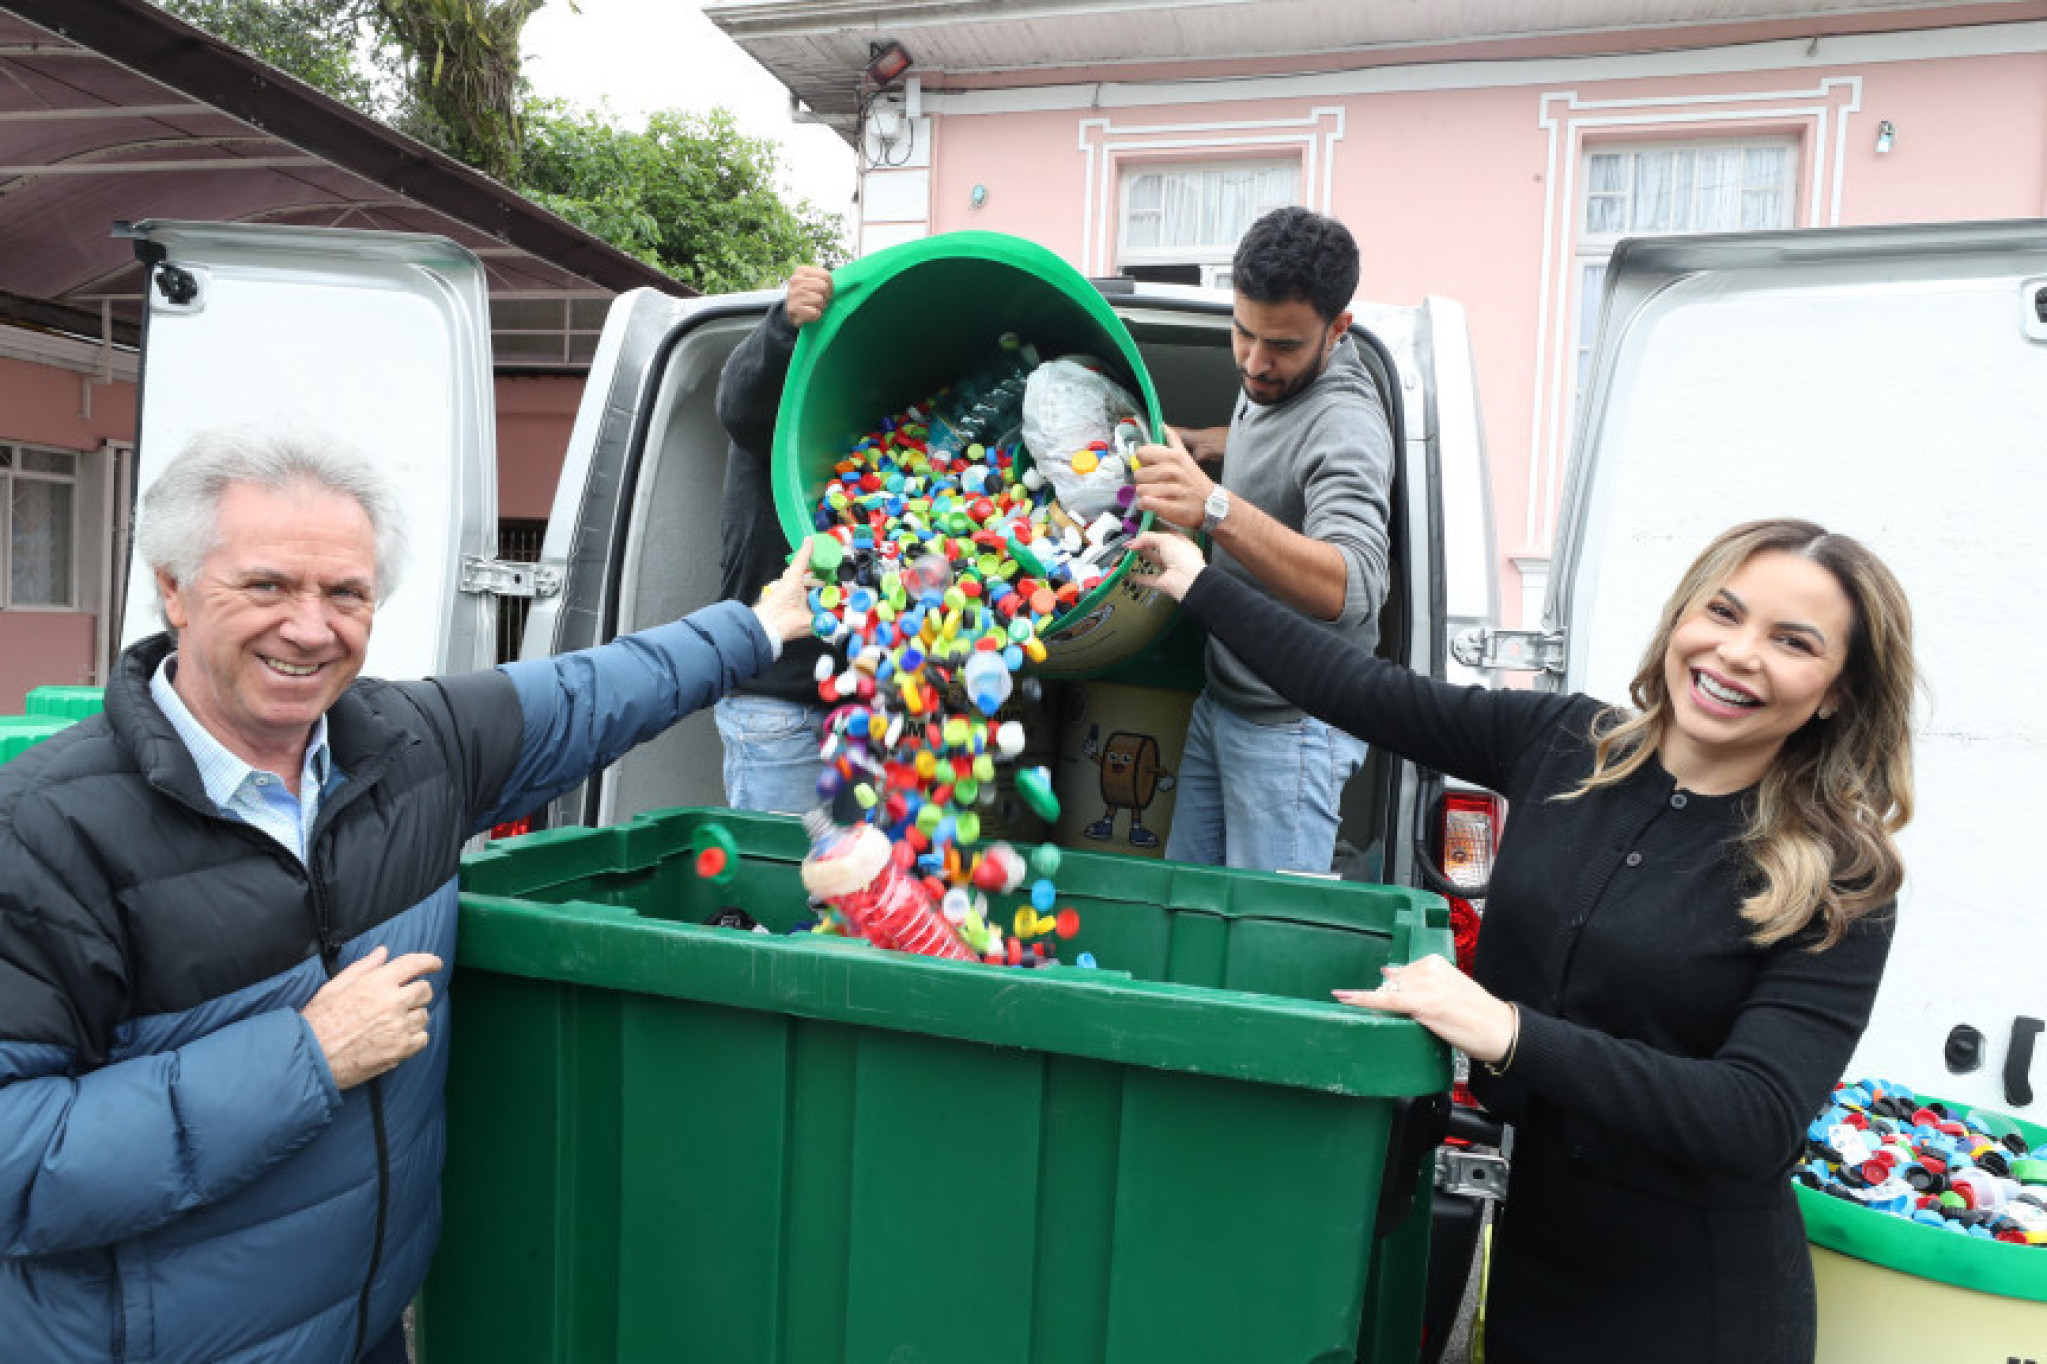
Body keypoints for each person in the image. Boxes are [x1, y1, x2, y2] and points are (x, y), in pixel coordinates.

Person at [0, 428, 815, 1363]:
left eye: (346, 593)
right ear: (174, 589)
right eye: (266, 586)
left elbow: (595, 691)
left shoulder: (411, 745)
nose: (311, 628)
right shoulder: (43, 834)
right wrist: (306, 1057)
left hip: (362, 1331)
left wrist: (759, 627)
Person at [1130, 518, 1915, 1363]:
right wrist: (1196, 581)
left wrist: (1509, 1033)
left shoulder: (1840, 878)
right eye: (1721, 612)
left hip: (1694, 1305)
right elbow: (1363, 691)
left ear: (1836, 691)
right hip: (1535, 1255)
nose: (1736, 653)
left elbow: (1751, 1117)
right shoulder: (1568, 743)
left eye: (1792, 642)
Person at [1129, 205, 1392, 872]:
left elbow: (1353, 586)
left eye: (1282, 346)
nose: (1254, 362)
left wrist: (1211, 505)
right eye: (1243, 332)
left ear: (1337, 329)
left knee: (1263, 929)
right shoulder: (1272, 376)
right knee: (1188, 911)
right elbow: (1279, 446)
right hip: (1224, 699)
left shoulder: (1347, 422)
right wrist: (1205, 444)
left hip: (1292, 730)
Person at [713, 265, 836, 813]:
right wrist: (785, 325)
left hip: (869, 707)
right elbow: (737, 403)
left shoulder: (885, 443)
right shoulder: (778, 404)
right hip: (779, 703)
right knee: (781, 862)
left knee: (860, 869)